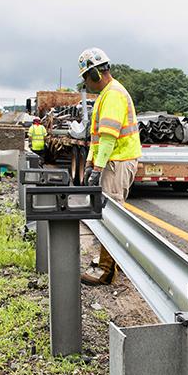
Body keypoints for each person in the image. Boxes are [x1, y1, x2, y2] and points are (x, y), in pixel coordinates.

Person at [78, 47, 142, 285]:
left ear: (94, 74)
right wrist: (89, 162)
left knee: (111, 214)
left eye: (86, 77)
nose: (86, 83)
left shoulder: (113, 94)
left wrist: (97, 168)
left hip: (117, 162)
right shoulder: (106, 94)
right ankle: (111, 262)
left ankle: (107, 270)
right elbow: (98, 137)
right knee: (107, 212)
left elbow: (108, 137)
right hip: (113, 161)